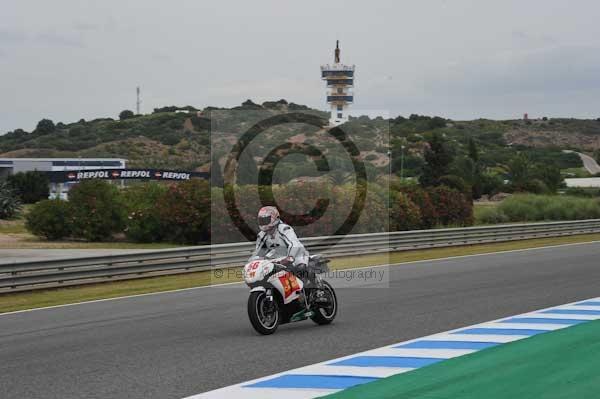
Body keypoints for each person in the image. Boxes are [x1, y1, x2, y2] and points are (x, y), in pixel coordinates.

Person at [250, 206, 327, 303]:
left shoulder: (284, 229)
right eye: (261, 220)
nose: (263, 223)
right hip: (278, 259)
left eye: (265, 219)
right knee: (269, 275)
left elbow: (293, 243)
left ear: (274, 218)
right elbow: (258, 252)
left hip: (297, 254)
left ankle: (319, 292)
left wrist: (290, 257)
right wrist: (252, 262)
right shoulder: (262, 235)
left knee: (301, 268)